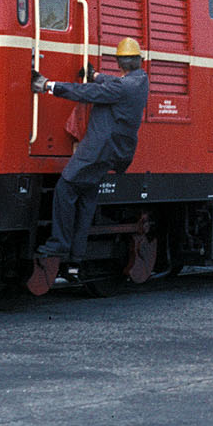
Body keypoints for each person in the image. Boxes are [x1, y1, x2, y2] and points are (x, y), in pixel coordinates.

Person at [27, 37, 149, 295]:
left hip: (96, 151)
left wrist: (47, 85)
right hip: (114, 153)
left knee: (66, 188)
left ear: (119, 62)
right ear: (139, 61)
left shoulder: (122, 88)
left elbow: (86, 93)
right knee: (86, 200)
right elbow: (113, 84)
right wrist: (95, 75)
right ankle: (76, 259)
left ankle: (59, 244)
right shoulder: (140, 82)